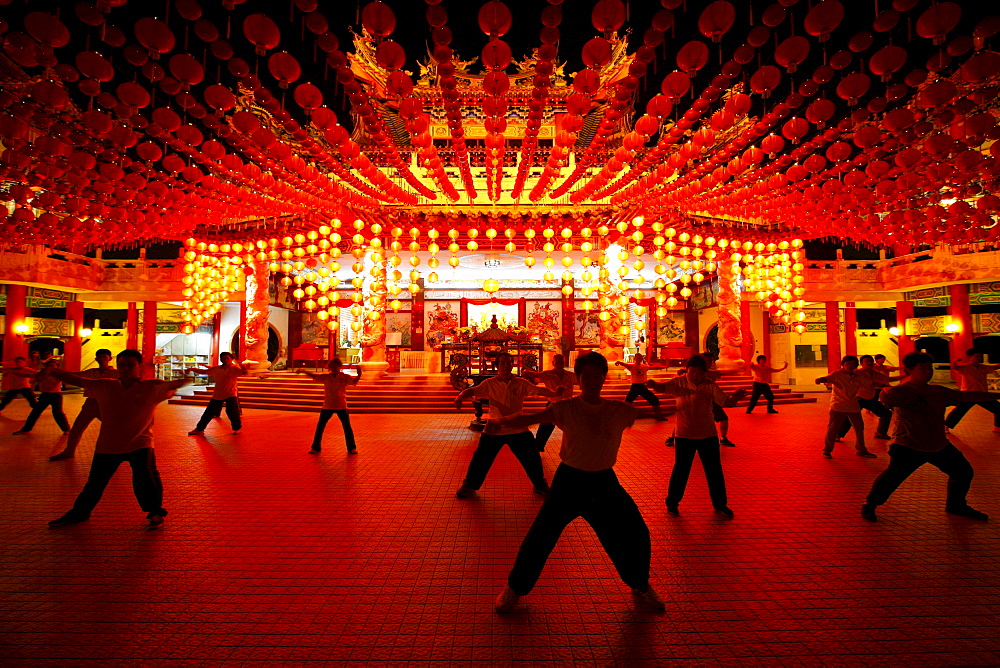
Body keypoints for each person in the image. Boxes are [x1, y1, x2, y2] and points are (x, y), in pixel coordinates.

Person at [488, 352, 665, 613]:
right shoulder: (566, 408)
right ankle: (515, 588)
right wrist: (500, 422)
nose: (593, 381)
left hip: (604, 482)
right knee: (541, 537)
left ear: (603, 379)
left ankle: (640, 583)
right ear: (579, 379)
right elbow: (530, 419)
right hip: (569, 482)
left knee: (636, 532)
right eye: (587, 377)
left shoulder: (618, 410)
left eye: (597, 376)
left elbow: (650, 413)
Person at [46, 349, 190, 528]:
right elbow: (80, 381)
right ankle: (80, 513)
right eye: (122, 365)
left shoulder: (150, 387)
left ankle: (155, 512)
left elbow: (170, 385)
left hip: (140, 443)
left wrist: (185, 378)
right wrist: (55, 371)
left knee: (146, 479)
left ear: (139, 367)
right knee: (95, 482)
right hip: (108, 445)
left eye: (130, 365)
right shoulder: (105, 385)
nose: (125, 369)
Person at [862, 352, 993, 522]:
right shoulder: (900, 391)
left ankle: (956, 505)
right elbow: (885, 396)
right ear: (909, 370)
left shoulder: (938, 391)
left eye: (929, 368)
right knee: (892, 478)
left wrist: (996, 396)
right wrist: (885, 391)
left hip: (938, 445)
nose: (927, 371)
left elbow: (967, 395)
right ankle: (870, 504)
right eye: (922, 368)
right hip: (908, 445)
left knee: (963, 472)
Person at [454, 352, 564, 499]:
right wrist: (460, 396)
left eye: (508, 362)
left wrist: (554, 393)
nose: (505, 365)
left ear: (512, 365)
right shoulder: (490, 383)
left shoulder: (521, 383)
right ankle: (470, 486)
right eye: (502, 363)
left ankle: (540, 485)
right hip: (494, 428)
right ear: (497, 366)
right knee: (481, 459)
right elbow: (473, 390)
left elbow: (538, 390)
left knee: (532, 458)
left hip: (517, 427)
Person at [647, 355, 747, 517]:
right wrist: (653, 385)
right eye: (691, 372)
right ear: (687, 371)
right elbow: (662, 388)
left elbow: (726, 402)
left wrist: (736, 396)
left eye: (699, 373)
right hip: (684, 435)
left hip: (708, 435)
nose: (695, 376)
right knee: (681, 470)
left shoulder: (709, 385)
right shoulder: (678, 382)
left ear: (705, 374)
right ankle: (672, 502)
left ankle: (720, 504)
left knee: (714, 470)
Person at [49, 349, 118, 461]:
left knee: (115, 429)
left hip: (106, 404)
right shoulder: (91, 372)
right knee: (77, 428)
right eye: (99, 357)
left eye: (104, 357)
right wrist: (57, 372)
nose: (102, 360)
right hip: (90, 403)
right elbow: (74, 376)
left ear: (110, 359)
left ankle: (119, 452)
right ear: (96, 359)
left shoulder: (116, 374)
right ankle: (69, 451)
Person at [816, 356, 877, 459]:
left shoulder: (857, 377)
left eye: (853, 364)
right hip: (838, 406)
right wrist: (820, 379)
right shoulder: (837, 375)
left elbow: (870, 384)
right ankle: (827, 450)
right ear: (843, 365)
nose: (850, 366)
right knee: (833, 428)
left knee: (859, 428)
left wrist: (886, 386)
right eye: (848, 364)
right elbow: (826, 378)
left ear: (856, 365)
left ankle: (861, 449)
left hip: (853, 406)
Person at [298, 358, 361, 455]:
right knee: (320, 427)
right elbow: (315, 376)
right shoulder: (327, 377)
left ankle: (352, 448)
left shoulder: (344, 377)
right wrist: (304, 371)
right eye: (332, 366)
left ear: (340, 367)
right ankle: (315, 447)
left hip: (341, 405)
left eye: (335, 366)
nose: (334, 368)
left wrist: (359, 374)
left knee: (347, 427)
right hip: (327, 405)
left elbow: (353, 382)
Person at [834, 354, 900, 442]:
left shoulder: (875, 374)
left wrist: (907, 375)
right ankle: (838, 434)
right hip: (858, 399)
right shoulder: (856, 373)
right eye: (867, 361)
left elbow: (888, 379)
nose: (870, 363)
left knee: (886, 413)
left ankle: (880, 433)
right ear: (861, 363)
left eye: (871, 361)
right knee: (850, 418)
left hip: (869, 399)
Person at [523, 353, 575, 452]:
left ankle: (575, 447)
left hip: (568, 405)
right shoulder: (547, 374)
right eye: (557, 363)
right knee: (545, 427)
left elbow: (581, 380)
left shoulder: (570, 375)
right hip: (553, 404)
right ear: (553, 363)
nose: (560, 365)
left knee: (572, 428)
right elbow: (535, 375)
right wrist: (526, 372)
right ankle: (537, 447)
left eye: (561, 363)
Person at [187, 352, 249, 436]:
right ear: (221, 360)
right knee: (209, 412)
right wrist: (192, 369)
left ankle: (237, 428)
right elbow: (204, 371)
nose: (225, 360)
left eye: (227, 358)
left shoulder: (235, 368)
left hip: (230, 393)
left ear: (231, 359)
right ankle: (199, 429)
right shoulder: (216, 369)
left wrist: (242, 365)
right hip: (218, 394)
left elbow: (244, 373)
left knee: (232, 412)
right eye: (223, 358)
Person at [944, 349, 1000, 432]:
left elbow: (995, 367)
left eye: (980, 357)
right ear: (970, 357)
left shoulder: (983, 367)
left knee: (998, 408)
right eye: (977, 356)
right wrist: (955, 361)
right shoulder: (965, 368)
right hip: (968, 394)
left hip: (982, 394)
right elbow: (954, 367)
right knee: (959, 412)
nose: (979, 358)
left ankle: (997, 427)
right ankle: (946, 426)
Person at [13, 359, 70, 435]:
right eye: (49, 365)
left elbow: (69, 379)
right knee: (35, 412)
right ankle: (26, 429)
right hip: (45, 395)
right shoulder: (43, 373)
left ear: (56, 367)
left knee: (57, 413)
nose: (50, 367)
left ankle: (67, 429)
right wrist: (44, 373)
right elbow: (35, 377)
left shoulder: (59, 374)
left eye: (52, 365)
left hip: (56, 395)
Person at [615, 353, 667, 421]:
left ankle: (659, 416)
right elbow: (624, 364)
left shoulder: (644, 366)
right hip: (635, 386)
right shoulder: (632, 366)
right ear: (635, 359)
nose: (639, 359)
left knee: (654, 399)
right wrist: (618, 362)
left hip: (643, 386)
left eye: (640, 358)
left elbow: (653, 367)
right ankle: (622, 417)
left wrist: (664, 366)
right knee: (627, 402)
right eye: (638, 358)